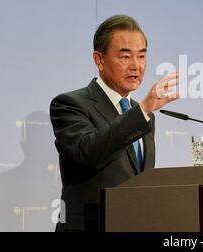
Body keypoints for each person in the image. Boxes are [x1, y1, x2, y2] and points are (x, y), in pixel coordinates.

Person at [50, 15, 178, 232]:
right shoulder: (70, 104)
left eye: (141, 56)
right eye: (125, 57)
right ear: (99, 60)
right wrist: (143, 110)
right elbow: (89, 152)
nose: (136, 66)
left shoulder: (144, 115)